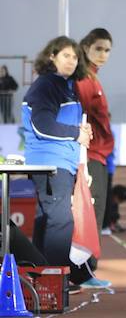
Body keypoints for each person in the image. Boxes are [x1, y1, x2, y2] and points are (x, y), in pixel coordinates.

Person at [22, 36, 92, 293]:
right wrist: (76, 133)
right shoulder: (47, 85)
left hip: (59, 162)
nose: (72, 61)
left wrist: (80, 135)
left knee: (47, 219)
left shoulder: (64, 86)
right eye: (65, 55)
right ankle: (54, 279)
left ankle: (40, 278)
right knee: (60, 220)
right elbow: (42, 124)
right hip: (50, 163)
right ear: (51, 57)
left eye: (75, 56)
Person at [70, 28, 115, 289]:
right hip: (90, 154)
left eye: (107, 50)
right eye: (98, 48)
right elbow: (81, 118)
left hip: (99, 153)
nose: (103, 54)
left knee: (93, 213)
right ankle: (84, 273)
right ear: (85, 47)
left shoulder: (92, 78)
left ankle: (84, 272)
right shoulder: (85, 80)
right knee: (90, 214)